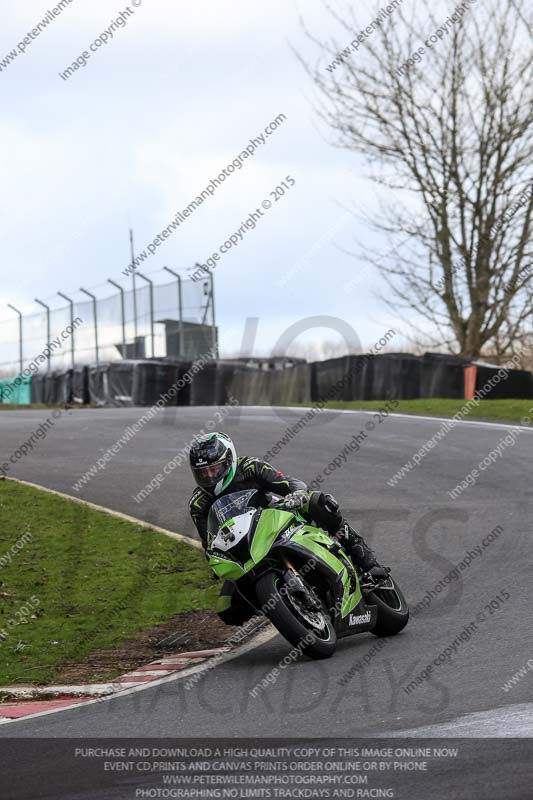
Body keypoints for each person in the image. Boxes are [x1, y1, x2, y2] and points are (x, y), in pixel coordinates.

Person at [188, 431, 388, 626]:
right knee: (226, 609)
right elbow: (209, 542)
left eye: (214, 469)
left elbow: (287, 482)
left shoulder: (250, 467)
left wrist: (297, 493)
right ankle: (283, 607)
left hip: (278, 522)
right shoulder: (198, 503)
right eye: (203, 473)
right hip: (245, 551)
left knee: (318, 501)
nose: (210, 476)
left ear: (229, 460)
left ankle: (365, 558)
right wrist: (214, 559)